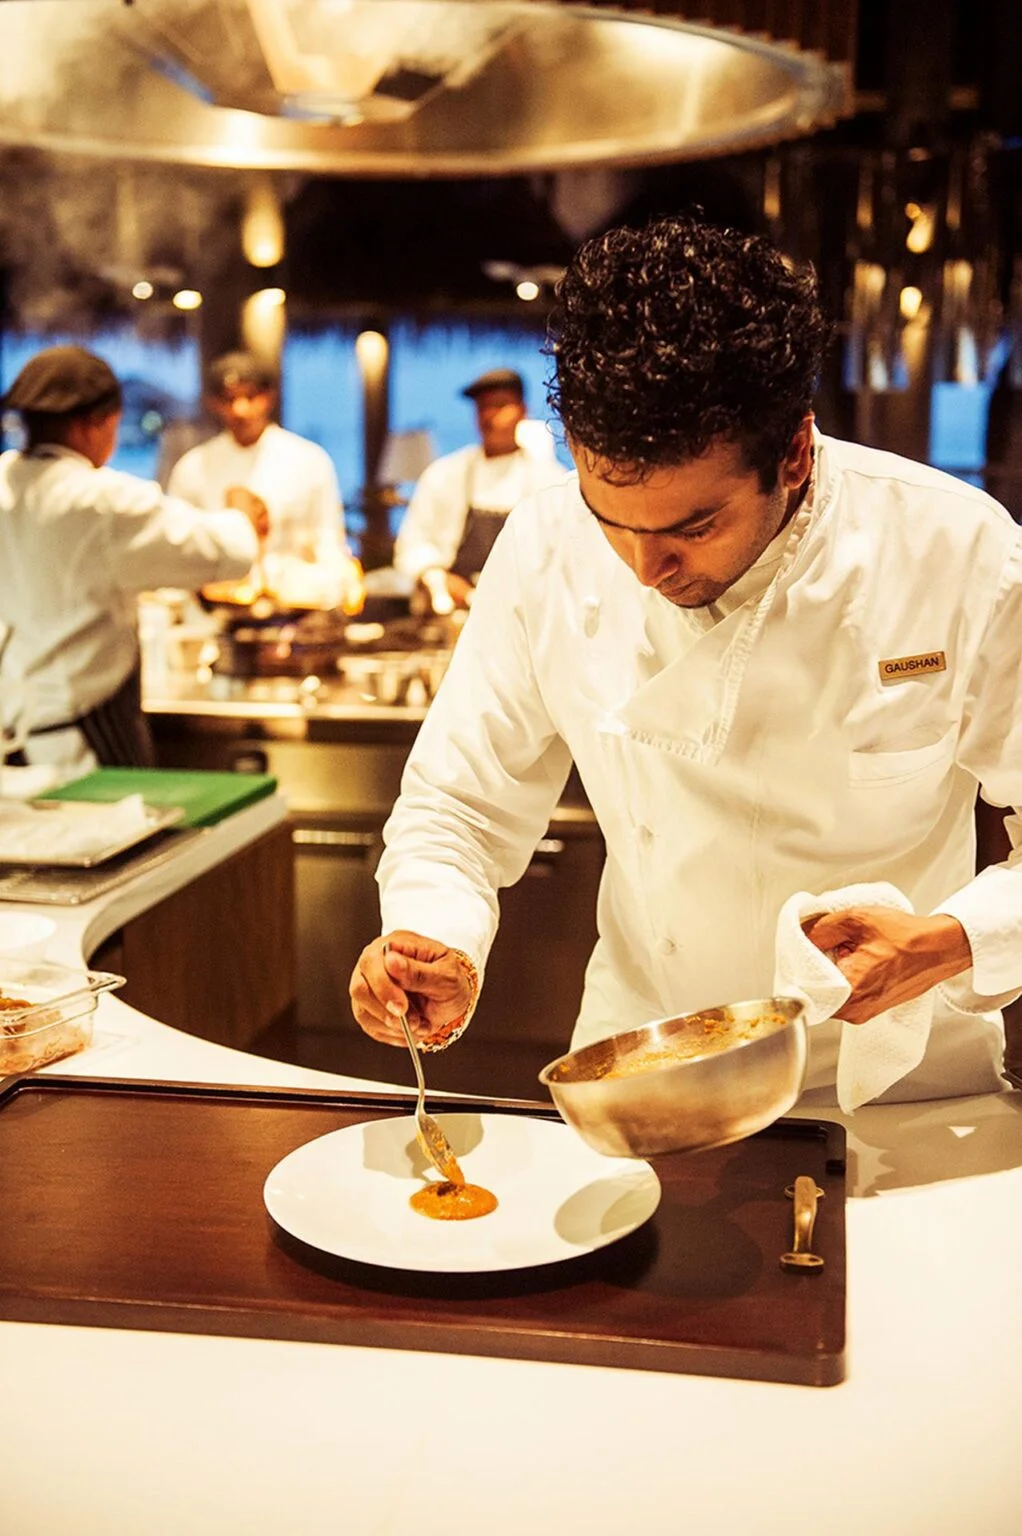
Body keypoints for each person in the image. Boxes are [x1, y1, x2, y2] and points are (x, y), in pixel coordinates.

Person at [348, 213, 1022, 1107]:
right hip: (647, 1064)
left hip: (898, 1082)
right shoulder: (546, 542)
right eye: (610, 520)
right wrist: (434, 935)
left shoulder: (953, 549)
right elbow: (458, 805)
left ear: (793, 453)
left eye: (693, 527)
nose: (645, 568)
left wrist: (952, 939)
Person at [0, 344, 264, 771]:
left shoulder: (4, 481)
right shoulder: (98, 499)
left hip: (14, 740)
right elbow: (221, 551)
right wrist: (242, 516)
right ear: (97, 423)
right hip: (84, 744)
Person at [167, 351, 359, 611]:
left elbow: (329, 542)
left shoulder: (308, 460)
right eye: (229, 399)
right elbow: (179, 550)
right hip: (216, 611)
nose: (240, 409)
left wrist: (331, 592)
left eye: (250, 396)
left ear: (269, 397)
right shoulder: (193, 468)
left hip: (295, 609)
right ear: (213, 403)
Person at [392, 367, 565, 612]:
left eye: (500, 405)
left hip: (524, 614)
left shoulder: (549, 480)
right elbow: (411, 545)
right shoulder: (445, 474)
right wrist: (438, 578)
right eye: (483, 407)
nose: (490, 416)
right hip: (451, 615)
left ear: (522, 411)